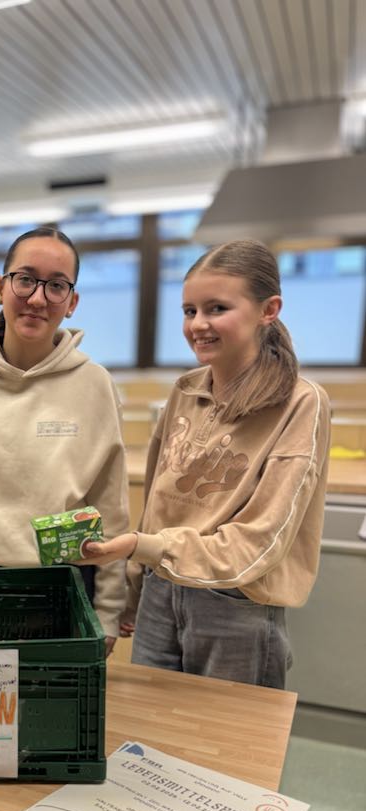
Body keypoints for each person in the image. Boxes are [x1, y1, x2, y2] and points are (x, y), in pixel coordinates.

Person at [80, 238, 331, 689]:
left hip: (234, 604)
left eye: (217, 308)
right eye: (189, 310)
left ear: (269, 309)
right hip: (160, 591)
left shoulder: (301, 403)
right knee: (154, 724)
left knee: (230, 732)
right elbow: (157, 505)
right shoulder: (185, 390)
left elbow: (261, 540)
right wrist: (135, 587)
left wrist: (143, 547)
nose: (198, 324)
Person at [0, 226, 129, 654]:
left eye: (56, 286)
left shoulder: (94, 385)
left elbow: (109, 508)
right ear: (0, 288)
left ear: (72, 302)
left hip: (65, 583)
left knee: (50, 694)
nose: (37, 298)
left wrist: (108, 611)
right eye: (26, 280)